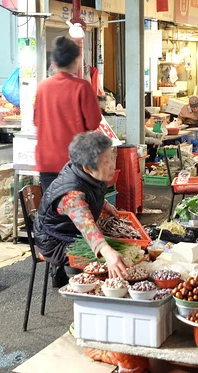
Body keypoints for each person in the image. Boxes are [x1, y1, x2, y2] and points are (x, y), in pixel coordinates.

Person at [33, 131, 127, 287]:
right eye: (106, 162)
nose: (112, 165)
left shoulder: (89, 173)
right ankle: (96, 300)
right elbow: (86, 225)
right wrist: (108, 252)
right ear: (87, 168)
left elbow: (91, 192)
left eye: (112, 157)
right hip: (55, 240)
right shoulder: (72, 194)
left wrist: (104, 204)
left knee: (123, 243)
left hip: (70, 231)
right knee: (109, 259)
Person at [35, 36, 102, 194]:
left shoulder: (42, 87)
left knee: (51, 208)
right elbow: (93, 122)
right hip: (74, 162)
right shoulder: (82, 87)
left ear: (54, 63)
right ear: (76, 61)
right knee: (75, 211)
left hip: (46, 161)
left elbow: (37, 121)